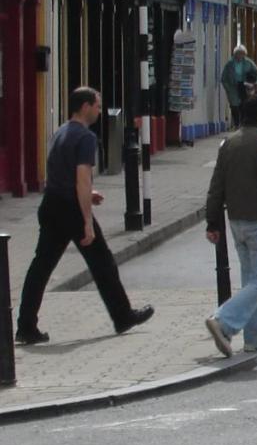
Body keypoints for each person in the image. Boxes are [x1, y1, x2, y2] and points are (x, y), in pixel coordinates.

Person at [15, 88, 154, 344]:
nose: (100, 111)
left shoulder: (61, 132)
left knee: (40, 267)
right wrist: (87, 220)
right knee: (103, 263)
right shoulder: (86, 138)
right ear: (86, 106)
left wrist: (89, 194)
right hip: (71, 209)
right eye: (98, 106)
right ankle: (123, 316)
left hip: (51, 204)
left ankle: (25, 325)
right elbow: (81, 178)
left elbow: (59, 174)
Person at [204, 90, 257, 357]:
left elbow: (216, 187)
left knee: (251, 281)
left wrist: (212, 222)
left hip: (235, 220)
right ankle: (223, 321)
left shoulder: (228, 143)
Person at [220, 44, 257, 129]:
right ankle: (236, 124)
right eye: (238, 53)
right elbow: (223, 78)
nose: (240, 56)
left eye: (242, 54)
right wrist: (227, 88)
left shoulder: (248, 63)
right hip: (233, 87)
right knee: (234, 105)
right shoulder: (230, 64)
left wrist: (254, 83)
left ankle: (243, 124)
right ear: (235, 54)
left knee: (244, 105)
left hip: (244, 86)